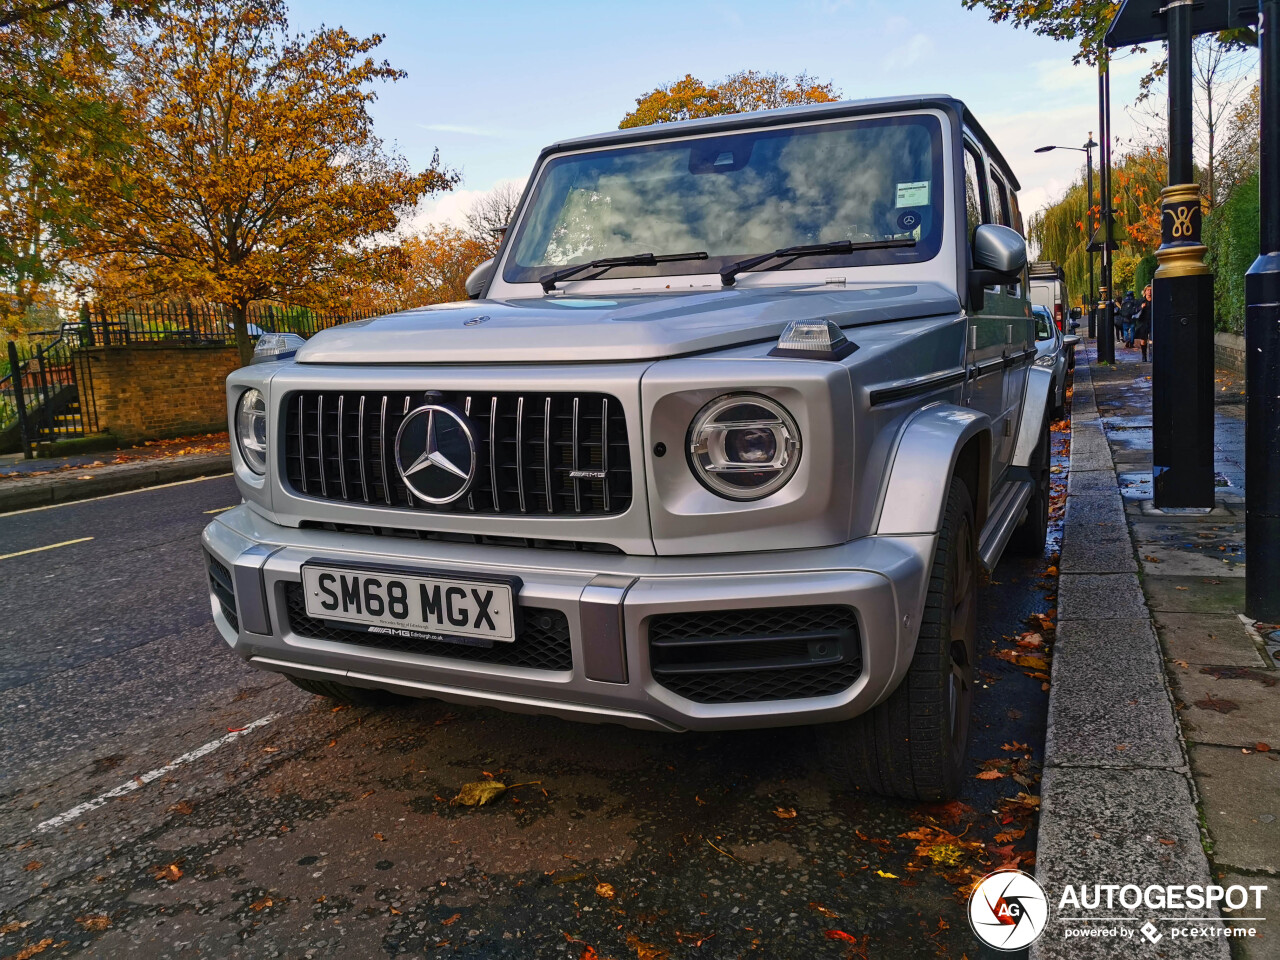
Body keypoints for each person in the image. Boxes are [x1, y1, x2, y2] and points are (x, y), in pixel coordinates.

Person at [1134, 285, 1152, 362]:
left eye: (1151, 290)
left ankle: (1152, 356)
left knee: (1152, 339)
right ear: (1145, 292)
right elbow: (1135, 311)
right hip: (1143, 322)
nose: (1149, 292)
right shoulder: (1141, 301)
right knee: (1143, 340)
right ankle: (1144, 355)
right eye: (1147, 290)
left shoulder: (1156, 301)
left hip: (1152, 321)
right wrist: (1141, 307)